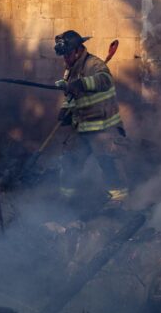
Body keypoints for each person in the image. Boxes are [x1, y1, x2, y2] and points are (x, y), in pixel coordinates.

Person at [53, 30, 128, 203]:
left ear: (78, 50)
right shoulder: (71, 69)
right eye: (63, 56)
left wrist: (83, 83)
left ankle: (118, 204)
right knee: (70, 162)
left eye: (68, 54)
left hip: (103, 128)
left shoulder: (94, 65)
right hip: (81, 127)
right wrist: (66, 109)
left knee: (110, 165)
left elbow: (105, 80)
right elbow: (73, 96)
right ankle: (65, 202)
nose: (65, 59)